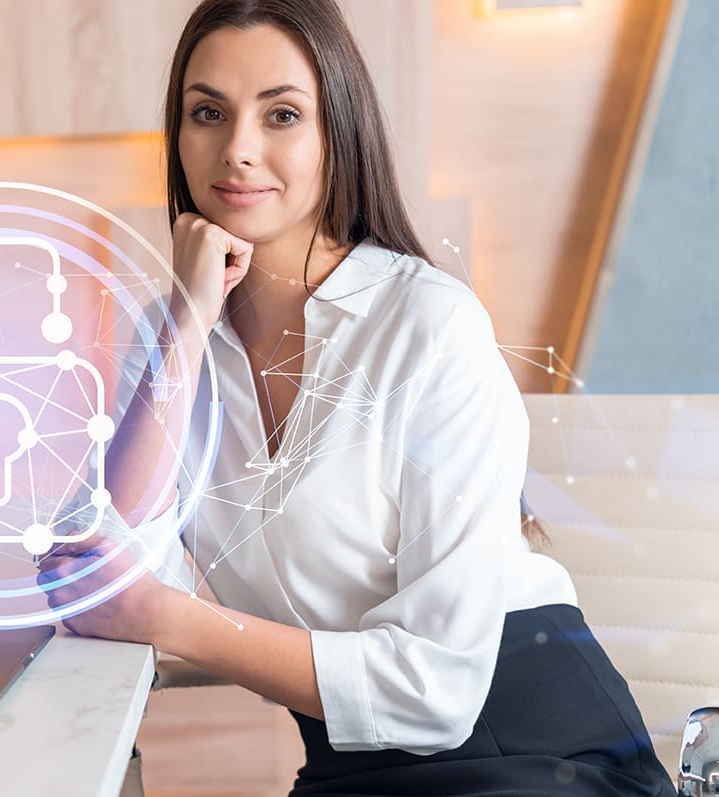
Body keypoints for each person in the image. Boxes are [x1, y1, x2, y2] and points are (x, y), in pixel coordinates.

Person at [35, 1, 676, 793]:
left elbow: (437, 691)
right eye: (208, 113)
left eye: (282, 114)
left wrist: (170, 619)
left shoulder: (427, 325)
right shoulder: (174, 337)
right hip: (355, 767)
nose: (237, 150)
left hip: (535, 754)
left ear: (336, 132)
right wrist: (188, 318)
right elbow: (95, 570)